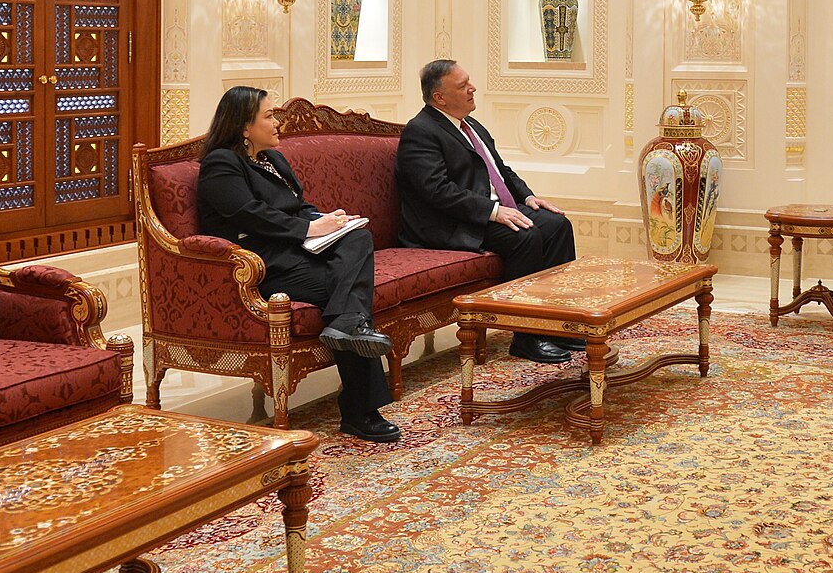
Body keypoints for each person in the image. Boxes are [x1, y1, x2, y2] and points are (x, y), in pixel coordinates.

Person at [196, 86, 402, 443]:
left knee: (358, 237)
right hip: (260, 266)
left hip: (299, 250)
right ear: (245, 127)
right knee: (346, 295)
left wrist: (329, 220)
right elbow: (249, 215)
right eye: (269, 116)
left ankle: (350, 327)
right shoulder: (222, 164)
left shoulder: (274, 160)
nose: (278, 123)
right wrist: (309, 228)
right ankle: (360, 410)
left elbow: (298, 206)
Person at [397, 59, 577, 364]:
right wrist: (493, 212)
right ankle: (526, 337)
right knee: (525, 235)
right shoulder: (421, 131)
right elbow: (436, 191)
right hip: (450, 223)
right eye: (463, 85)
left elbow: (500, 169)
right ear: (439, 97)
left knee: (557, 225)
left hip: (487, 211)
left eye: (469, 81)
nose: (472, 88)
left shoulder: (471, 125)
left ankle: (558, 326)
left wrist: (529, 197)